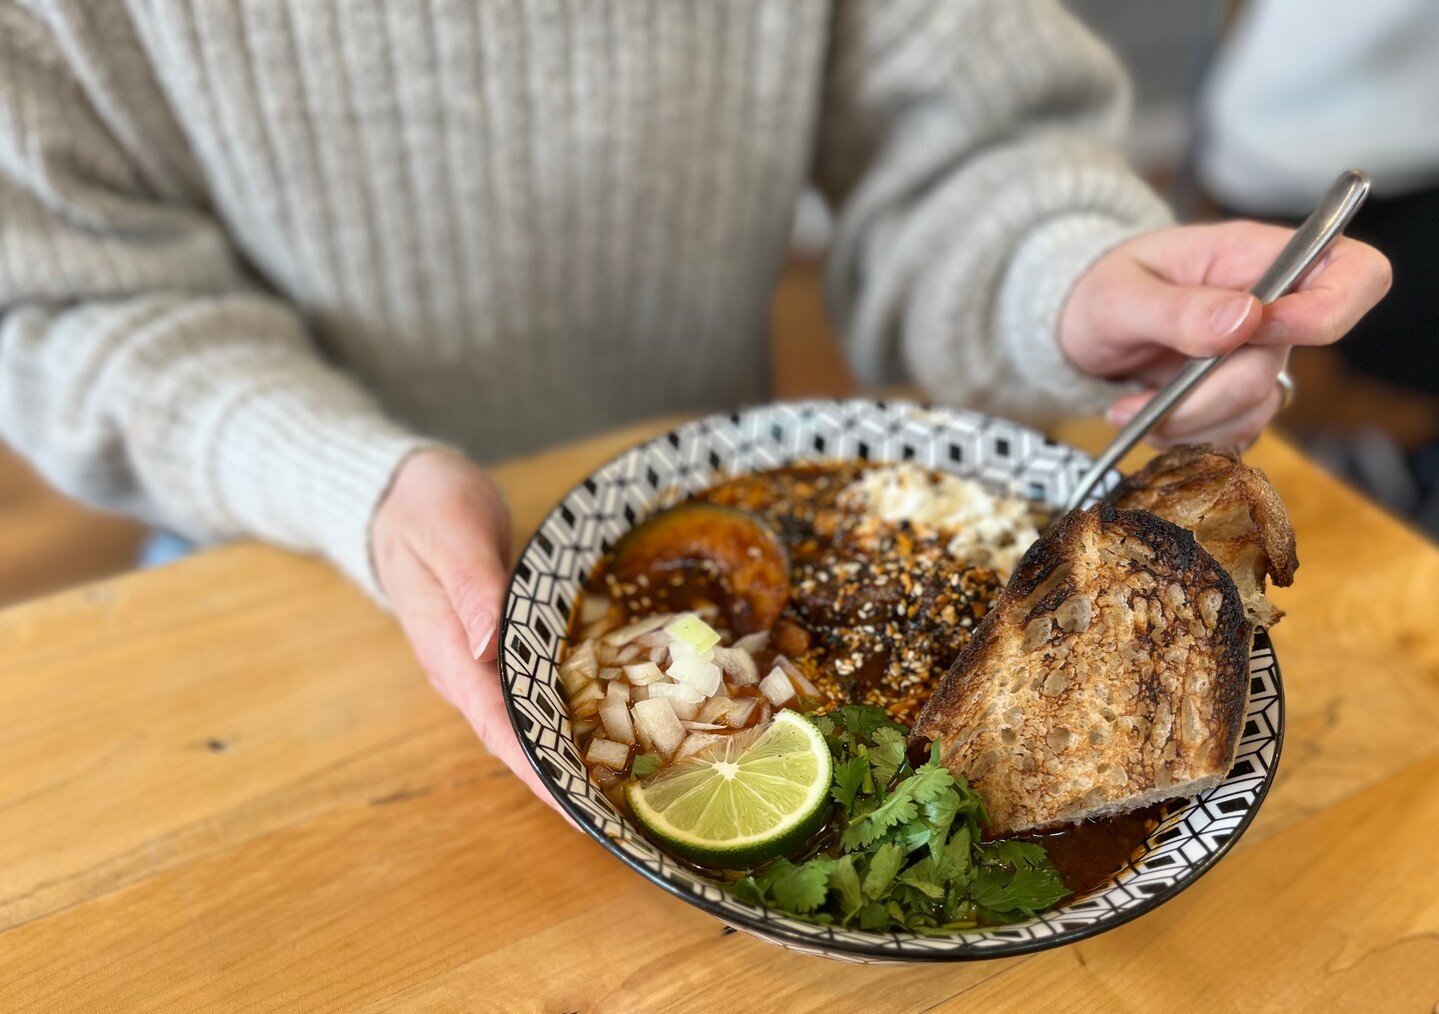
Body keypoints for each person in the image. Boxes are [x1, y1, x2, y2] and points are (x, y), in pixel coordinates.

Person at [0, 2, 1388, 804]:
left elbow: (964, 129)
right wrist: (346, 481)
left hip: (718, 521)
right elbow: (60, 298)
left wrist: (1062, 279)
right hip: (273, 564)